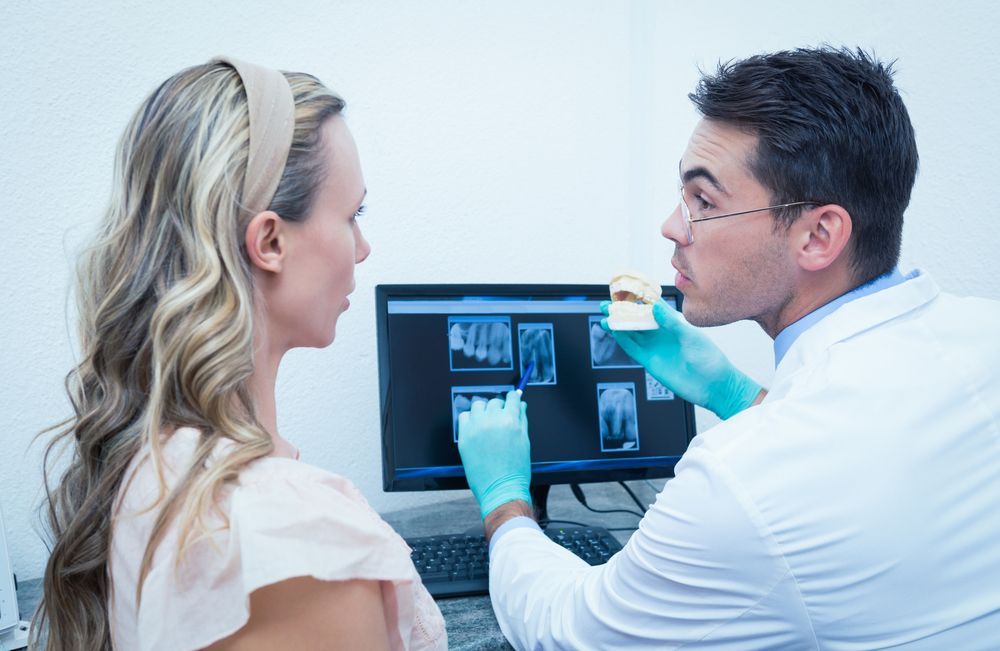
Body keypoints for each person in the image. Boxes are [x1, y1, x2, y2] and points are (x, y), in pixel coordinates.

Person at [458, 47, 1000, 648]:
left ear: (818, 235)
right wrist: (737, 393)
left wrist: (504, 500)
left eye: (704, 202)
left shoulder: (740, 483)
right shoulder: (984, 333)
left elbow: (569, 631)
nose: (671, 225)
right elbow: (864, 459)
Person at [35, 57, 446, 650]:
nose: (362, 248)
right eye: (351, 215)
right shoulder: (296, 545)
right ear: (270, 241)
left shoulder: (150, 455)